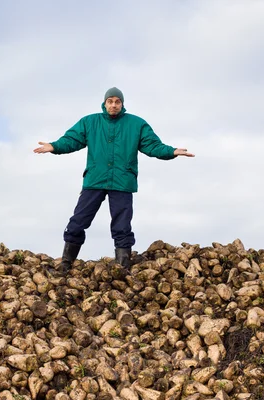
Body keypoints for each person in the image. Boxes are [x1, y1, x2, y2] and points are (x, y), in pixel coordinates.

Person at [34, 87, 194, 276]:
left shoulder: (136, 124)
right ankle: (65, 264)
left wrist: (172, 151)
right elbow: (72, 140)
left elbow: (152, 145)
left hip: (122, 182)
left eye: (117, 101)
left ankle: (122, 268)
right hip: (94, 180)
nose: (113, 105)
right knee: (77, 222)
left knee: (122, 226)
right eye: (110, 101)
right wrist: (54, 146)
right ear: (104, 103)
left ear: (122, 104)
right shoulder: (90, 122)